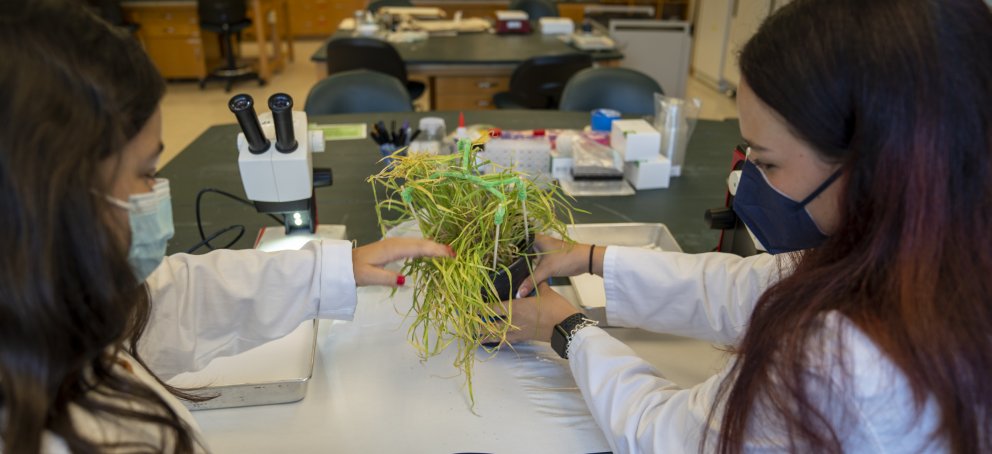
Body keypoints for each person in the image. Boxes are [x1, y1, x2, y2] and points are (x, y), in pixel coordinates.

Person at [506, 0, 992, 452]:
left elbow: (666, 435)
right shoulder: (932, 251)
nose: (745, 179)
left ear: (877, 164)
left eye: (768, 162)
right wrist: (588, 256)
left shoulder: (845, 362)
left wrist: (566, 328)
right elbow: (750, 288)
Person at [0, 1, 453, 452]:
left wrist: (333, 269)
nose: (158, 190)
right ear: (52, 196)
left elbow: (172, 301)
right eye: (145, 173)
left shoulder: (50, 306)